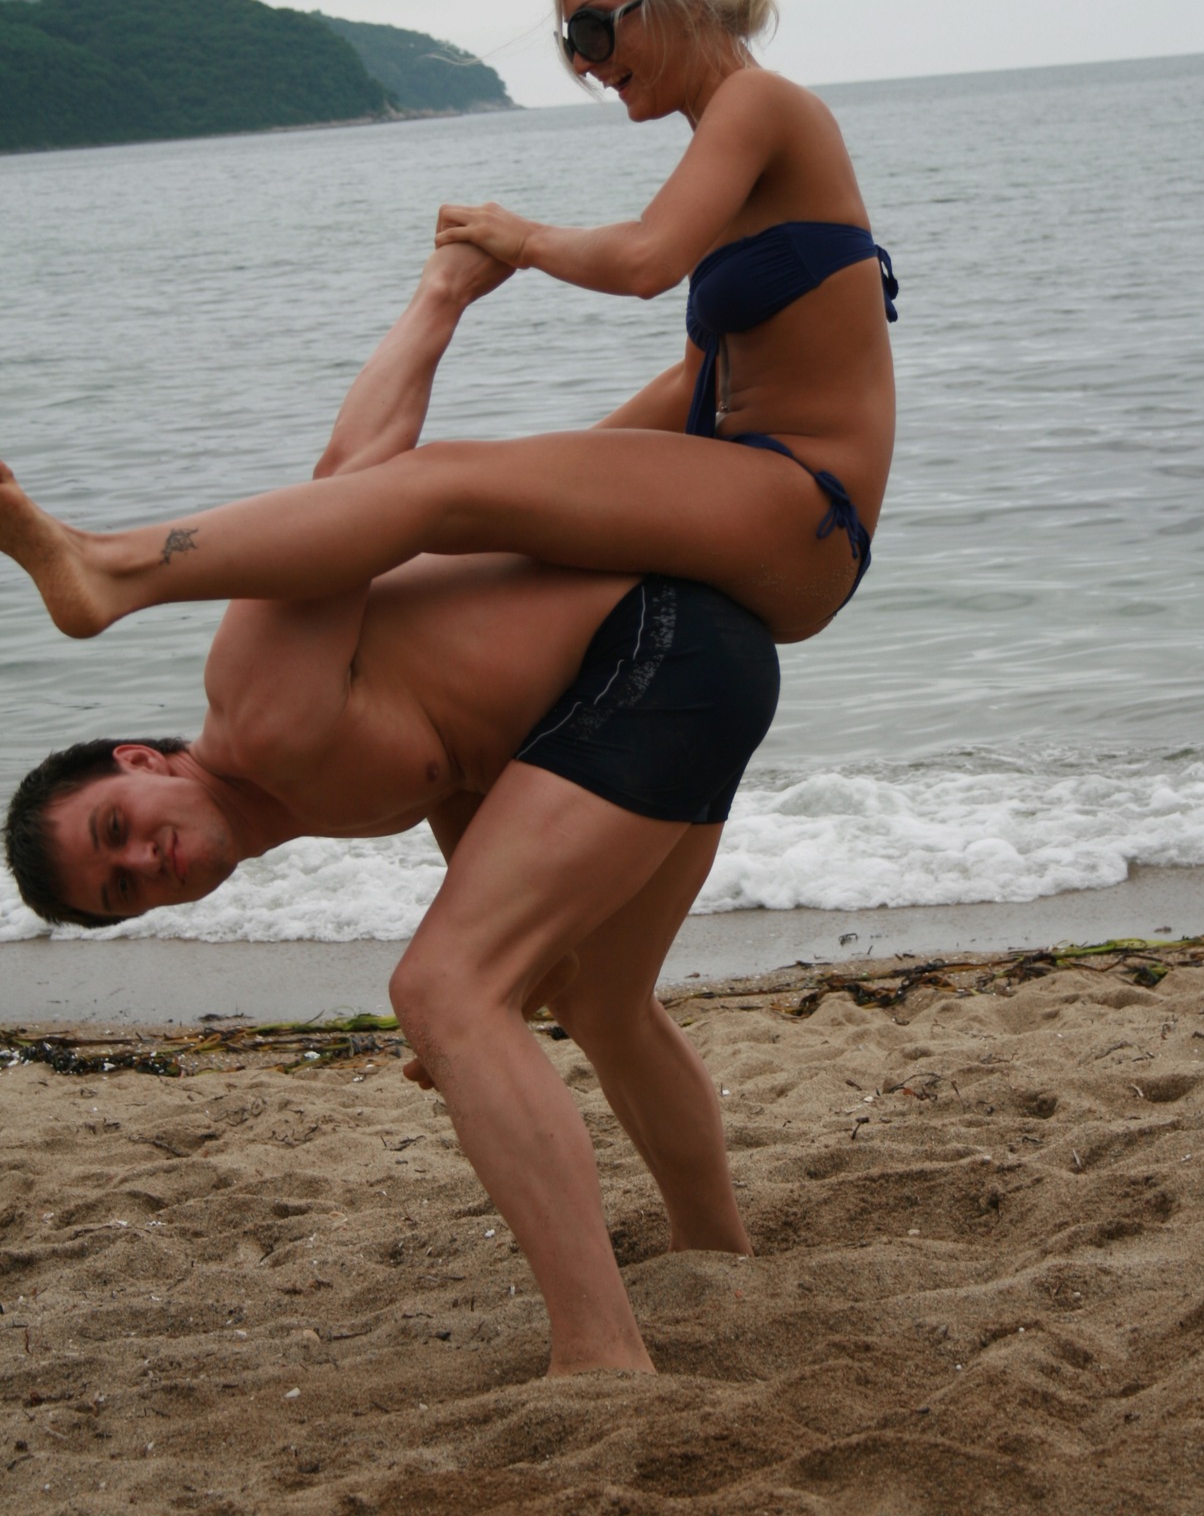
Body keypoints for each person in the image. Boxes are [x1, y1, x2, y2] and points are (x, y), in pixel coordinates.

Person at [2, 241, 778, 1378]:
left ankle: (599, 1352)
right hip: (677, 671)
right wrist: (513, 978)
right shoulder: (315, 792)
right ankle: (715, 1252)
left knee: (440, 989)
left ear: (140, 759)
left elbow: (353, 477)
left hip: (652, 651)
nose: (148, 861)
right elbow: (475, 785)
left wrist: (441, 294)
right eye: (125, 891)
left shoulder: (258, 714)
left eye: (117, 827)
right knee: (598, 999)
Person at [0, 0, 896, 649]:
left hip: (805, 512)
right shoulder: (731, 141)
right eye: (569, 41)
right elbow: (699, 380)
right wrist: (539, 478)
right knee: (445, 512)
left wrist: (521, 239)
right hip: (755, 498)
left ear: (684, 0)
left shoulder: (759, 102)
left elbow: (644, 261)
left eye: (593, 29)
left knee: (444, 484)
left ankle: (113, 568)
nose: (585, 64)